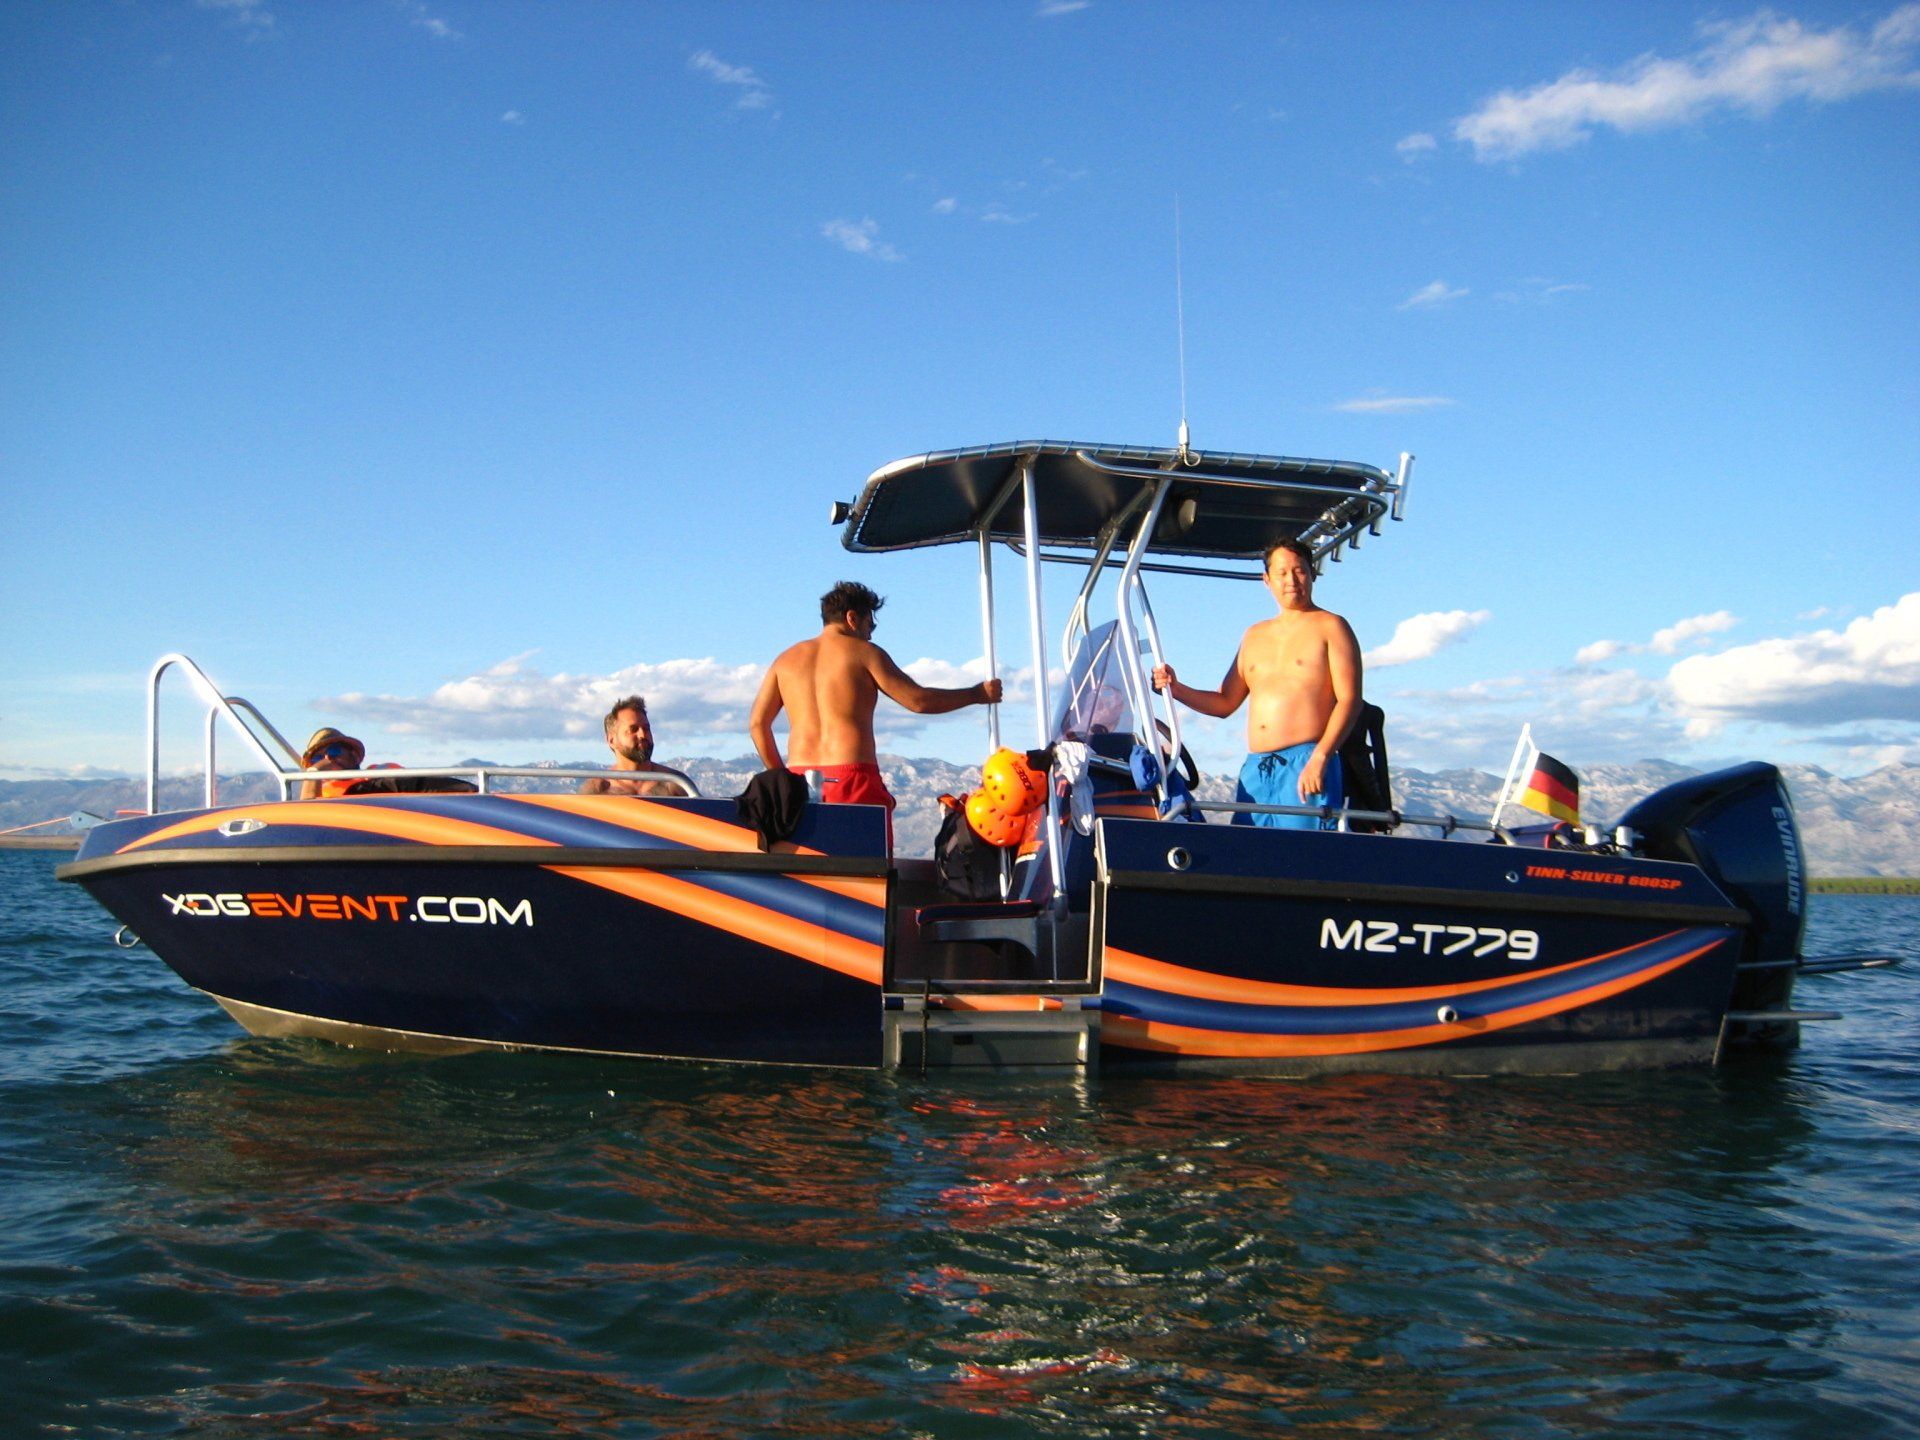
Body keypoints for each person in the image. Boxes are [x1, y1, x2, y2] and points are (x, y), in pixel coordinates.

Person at [748, 580, 1002, 845]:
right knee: (868, 871)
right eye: (871, 625)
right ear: (852, 618)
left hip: (797, 779)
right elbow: (918, 701)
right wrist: (976, 695)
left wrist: (781, 779)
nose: (870, 635)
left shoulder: (785, 660)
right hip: (852, 780)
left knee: (813, 875)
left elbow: (757, 724)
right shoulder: (865, 653)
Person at [1152, 538, 1362, 830]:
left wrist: (1321, 757)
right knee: (1251, 857)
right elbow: (1225, 702)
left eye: (1299, 570)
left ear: (1312, 573)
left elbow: (1350, 699)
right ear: (1267, 580)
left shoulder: (1332, 626)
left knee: (1304, 860)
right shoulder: (1253, 635)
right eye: (1282, 572)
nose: (1291, 580)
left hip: (1306, 763)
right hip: (1256, 769)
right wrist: (1176, 688)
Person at [579, 695, 693, 797]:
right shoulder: (597, 790)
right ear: (611, 740)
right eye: (633, 729)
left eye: (646, 729)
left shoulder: (675, 784)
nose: (643, 734)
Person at [298, 727, 366, 799]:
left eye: (333, 750)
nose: (327, 759)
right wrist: (315, 770)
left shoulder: (372, 779)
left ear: (352, 753)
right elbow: (309, 808)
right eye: (318, 758)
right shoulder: (319, 791)